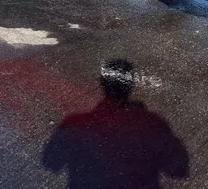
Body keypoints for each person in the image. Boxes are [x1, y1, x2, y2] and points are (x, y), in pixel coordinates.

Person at [42, 59, 189, 189]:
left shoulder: (75, 125)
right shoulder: (153, 125)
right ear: (130, 84)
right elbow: (178, 169)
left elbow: (51, 162)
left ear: (102, 83)